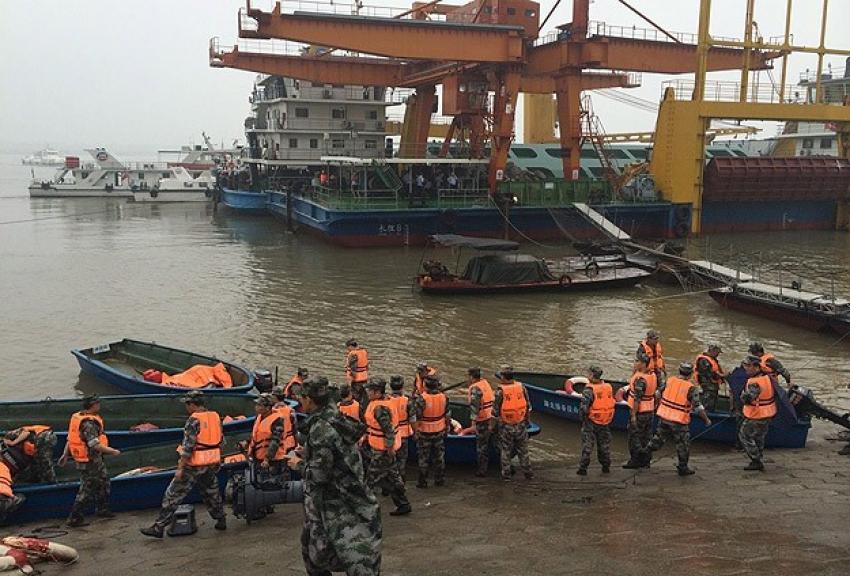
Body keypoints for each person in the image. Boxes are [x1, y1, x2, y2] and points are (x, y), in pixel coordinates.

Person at [286, 377, 382, 576]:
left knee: (324, 553)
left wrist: (299, 464)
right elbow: (338, 451)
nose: (300, 402)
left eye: (301, 398)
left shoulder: (320, 429)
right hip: (352, 495)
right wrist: (310, 453)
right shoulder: (336, 418)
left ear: (309, 400)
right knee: (315, 547)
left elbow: (320, 476)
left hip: (335, 503)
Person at [140, 391, 226, 538]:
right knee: (211, 492)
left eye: (187, 404)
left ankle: (159, 527)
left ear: (192, 404)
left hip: (194, 465)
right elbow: (221, 440)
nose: (186, 408)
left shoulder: (193, 420)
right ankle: (221, 518)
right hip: (211, 462)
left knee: (173, 494)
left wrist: (180, 468)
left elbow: (188, 446)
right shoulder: (215, 416)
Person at [61, 395, 120, 527]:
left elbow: (70, 438)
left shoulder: (78, 417)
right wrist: (112, 451)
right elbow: (94, 444)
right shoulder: (88, 423)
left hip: (94, 459)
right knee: (87, 489)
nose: (99, 405)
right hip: (89, 461)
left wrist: (65, 454)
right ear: (92, 406)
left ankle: (102, 509)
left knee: (104, 482)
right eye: (97, 403)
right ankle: (74, 518)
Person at [646, 363, 711, 476]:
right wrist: (706, 420)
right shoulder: (691, 387)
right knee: (683, 445)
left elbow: (657, 393)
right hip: (678, 421)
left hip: (664, 416)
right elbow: (698, 406)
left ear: (679, 371)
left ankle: (642, 456)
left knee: (657, 440)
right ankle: (683, 467)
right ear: (691, 374)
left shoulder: (670, 381)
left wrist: (658, 405)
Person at [363, 378, 411, 516]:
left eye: (369, 390)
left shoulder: (380, 408)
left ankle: (364, 508)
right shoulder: (386, 401)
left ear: (377, 392)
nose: (367, 393)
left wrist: (389, 448)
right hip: (384, 448)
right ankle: (403, 504)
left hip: (382, 450)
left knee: (371, 480)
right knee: (392, 477)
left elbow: (388, 430)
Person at [492, 365, 533, 481]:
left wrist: (491, 427)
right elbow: (528, 408)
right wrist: (527, 422)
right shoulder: (522, 387)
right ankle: (528, 473)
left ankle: (507, 476)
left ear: (504, 378)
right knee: (523, 450)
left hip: (506, 426)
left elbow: (494, 413)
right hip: (521, 424)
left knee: (505, 450)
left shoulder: (500, 392)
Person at [739, 356, 777, 471]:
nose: (745, 368)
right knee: (759, 437)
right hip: (767, 412)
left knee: (744, 435)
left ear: (756, 367)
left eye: (748, 366)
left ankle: (756, 459)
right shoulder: (766, 377)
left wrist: (742, 394)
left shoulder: (754, 383)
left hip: (757, 414)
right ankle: (759, 456)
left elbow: (748, 398)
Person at [413, 376, 450, 488]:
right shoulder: (444, 397)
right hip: (439, 431)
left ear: (426, 386)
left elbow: (416, 418)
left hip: (424, 432)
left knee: (423, 459)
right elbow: (447, 415)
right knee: (439, 457)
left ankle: (422, 482)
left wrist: (415, 432)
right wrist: (447, 427)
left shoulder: (421, 399)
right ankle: (439, 480)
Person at [577, 366, 614, 476]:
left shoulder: (589, 390)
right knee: (604, 446)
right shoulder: (608, 387)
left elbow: (583, 408)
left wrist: (582, 420)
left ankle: (583, 468)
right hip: (605, 421)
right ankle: (606, 466)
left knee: (587, 446)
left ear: (592, 375)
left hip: (591, 422)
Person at [623, 353, 657, 469]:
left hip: (640, 412)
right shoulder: (652, 375)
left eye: (637, 361)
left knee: (635, 436)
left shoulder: (640, 380)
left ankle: (635, 460)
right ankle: (646, 461)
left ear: (643, 364)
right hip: (650, 410)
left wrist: (633, 415)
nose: (635, 363)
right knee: (647, 437)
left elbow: (637, 399)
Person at [462, 367, 495, 477]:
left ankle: (482, 470)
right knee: (496, 443)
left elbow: (474, 408)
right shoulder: (485, 383)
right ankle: (505, 465)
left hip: (483, 420)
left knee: (482, 447)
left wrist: (472, 425)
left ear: (471, 376)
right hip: (492, 417)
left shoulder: (475, 388)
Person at [249, 394, 289, 475]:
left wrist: (267, 459)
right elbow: (257, 435)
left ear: (267, 408)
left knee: (273, 484)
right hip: (259, 457)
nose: (256, 407)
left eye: (259, 405)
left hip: (274, 460)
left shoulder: (277, 420)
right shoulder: (259, 417)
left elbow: (275, 441)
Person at [389, 376, 414, 482]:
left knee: (390, 461)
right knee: (402, 460)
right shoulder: (408, 401)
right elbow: (413, 419)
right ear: (402, 386)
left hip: (390, 435)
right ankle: (401, 482)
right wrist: (416, 433)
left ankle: (389, 484)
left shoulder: (386, 401)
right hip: (403, 435)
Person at [695, 344, 726, 411]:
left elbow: (715, 371)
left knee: (713, 398)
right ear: (712, 351)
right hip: (707, 383)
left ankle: (710, 410)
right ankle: (706, 413)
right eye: (717, 353)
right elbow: (708, 373)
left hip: (712, 383)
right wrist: (721, 376)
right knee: (708, 399)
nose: (718, 355)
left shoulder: (712, 359)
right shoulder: (704, 360)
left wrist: (722, 378)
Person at [0, 453, 25, 523]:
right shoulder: (4, 468)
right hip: (2, 499)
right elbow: (3, 489)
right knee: (21, 497)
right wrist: (13, 497)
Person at [345, 339, 369, 404]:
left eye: (348, 348)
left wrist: (350, 382)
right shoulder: (364, 352)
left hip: (356, 381)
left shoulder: (353, 354)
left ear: (351, 346)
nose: (348, 350)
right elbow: (367, 366)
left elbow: (353, 369)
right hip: (364, 378)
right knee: (363, 397)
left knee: (356, 399)